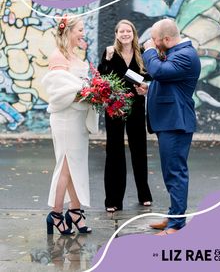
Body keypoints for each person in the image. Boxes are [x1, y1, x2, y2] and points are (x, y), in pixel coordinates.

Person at [136, 18, 201, 235]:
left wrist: (150, 51)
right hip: (169, 122)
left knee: (175, 173)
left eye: (154, 40)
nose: (152, 43)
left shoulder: (186, 55)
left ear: (165, 39)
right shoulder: (176, 54)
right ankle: (174, 215)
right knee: (170, 172)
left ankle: (176, 224)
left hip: (176, 123)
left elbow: (160, 72)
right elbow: (166, 80)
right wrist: (150, 89)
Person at [42, 14, 98, 235]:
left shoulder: (74, 55)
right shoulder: (58, 57)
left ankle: (75, 211)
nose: (83, 33)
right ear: (69, 31)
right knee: (65, 167)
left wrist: (94, 93)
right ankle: (56, 214)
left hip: (77, 120)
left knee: (76, 166)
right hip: (65, 119)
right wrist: (88, 94)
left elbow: (79, 87)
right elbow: (58, 92)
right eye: (80, 30)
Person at [98, 19, 152, 212]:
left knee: (139, 150)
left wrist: (145, 89)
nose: (125, 34)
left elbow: (150, 77)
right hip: (115, 106)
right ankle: (112, 200)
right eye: (121, 31)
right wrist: (107, 58)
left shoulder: (142, 54)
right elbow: (101, 76)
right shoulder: (110, 52)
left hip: (136, 106)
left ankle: (144, 194)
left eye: (128, 31)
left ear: (133, 33)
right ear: (116, 34)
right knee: (114, 151)